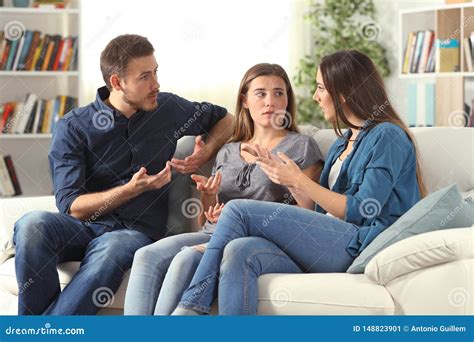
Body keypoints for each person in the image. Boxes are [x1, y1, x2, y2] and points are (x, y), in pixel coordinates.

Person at [173, 49, 427, 315]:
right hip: (327, 238)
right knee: (238, 250)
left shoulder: (387, 136)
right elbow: (319, 210)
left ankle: (191, 308)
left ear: (344, 91)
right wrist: (288, 179)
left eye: (320, 88)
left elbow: (364, 210)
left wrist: (300, 180)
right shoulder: (343, 143)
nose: (316, 97)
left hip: (358, 242)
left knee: (238, 209)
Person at [12, 34, 233, 315]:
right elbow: (71, 206)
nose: (156, 84)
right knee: (31, 224)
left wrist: (206, 151)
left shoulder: (167, 108)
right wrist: (131, 189)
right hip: (83, 228)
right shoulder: (74, 127)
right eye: (145, 77)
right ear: (117, 83)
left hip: (133, 232)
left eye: (155, 72)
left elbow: (227, 119)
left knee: (111, 247)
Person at [124, 63, 323, 315]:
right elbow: (207, 220)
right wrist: (207, 197)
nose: (270, 101)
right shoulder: (228, 150)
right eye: (260, 93)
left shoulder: (302, 146)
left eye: (278, 93)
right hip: (212, 234)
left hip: (257, 241)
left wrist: (288, 178)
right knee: (146, 255)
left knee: (186, 259)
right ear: (245, 100)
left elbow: (309, 215)